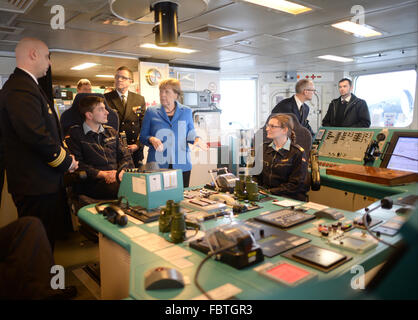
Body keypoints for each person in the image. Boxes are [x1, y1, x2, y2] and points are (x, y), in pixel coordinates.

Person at [0, 38, 78, 249]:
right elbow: (36, 136)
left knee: (45, 240)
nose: (49, 63)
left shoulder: (26, 86)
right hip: (35, 185)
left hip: (40, 182)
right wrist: (66, 162)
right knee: (38, 244)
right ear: (33, 54)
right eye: (47, 57)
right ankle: (41, 282)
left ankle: (46, 281)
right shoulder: (20, 88)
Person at [66, 96, 134, 199]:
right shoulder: (75, 135)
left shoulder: (112, 132)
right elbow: (77, 164)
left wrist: (120, 173)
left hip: (117, 178)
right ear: (89, 115)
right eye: (101, 109)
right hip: (92, 182)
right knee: (121, 190)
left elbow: (126, 157)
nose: (107, 112)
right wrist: (102, 174)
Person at [139, 78, 202, 188]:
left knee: (181, 198)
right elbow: (143, 136)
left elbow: (190, 134)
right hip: (156, 164)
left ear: (176, 95)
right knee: (158, 198)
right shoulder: (151, 111)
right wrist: (151, 139)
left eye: (167, 91)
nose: (162, 95)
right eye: (161, 91)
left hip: (181, 164)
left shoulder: (186, 111)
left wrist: (197, 140)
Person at [254, 114, 308, 201]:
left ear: (284, 130)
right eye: (268, 125)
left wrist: (270, 192)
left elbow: (295, 185)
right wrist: (255, 189)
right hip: (264, 196)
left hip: (287, 197)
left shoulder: (297, 153)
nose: (267, 129)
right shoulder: (263, 148)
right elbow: (256, 175)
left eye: (272, 126)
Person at [104, 66, 146, 167]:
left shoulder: (138, 99)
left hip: (134, 150)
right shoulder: (106, 98)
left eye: (123, 77)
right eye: (117, 77)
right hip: (113, 150)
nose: (119, 80)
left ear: (130, 81)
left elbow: (143, 125)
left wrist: (138, 145)